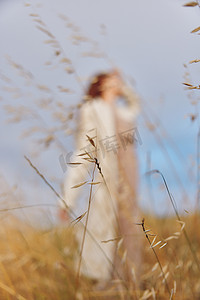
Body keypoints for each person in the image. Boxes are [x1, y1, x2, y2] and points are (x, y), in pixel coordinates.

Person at [60, 70, 142, 290]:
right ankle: (109, 284)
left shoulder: (124, 111)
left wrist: (123, 88)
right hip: (110, 178)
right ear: (102, 84)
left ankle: (133, 283)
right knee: (108, 231)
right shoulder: (92, 109)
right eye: (114, 80)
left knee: (131, 229)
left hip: (131, 178)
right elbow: (83, 152)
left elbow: (137, 104)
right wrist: (67, 199)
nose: (119, 83)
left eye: (121, 80)